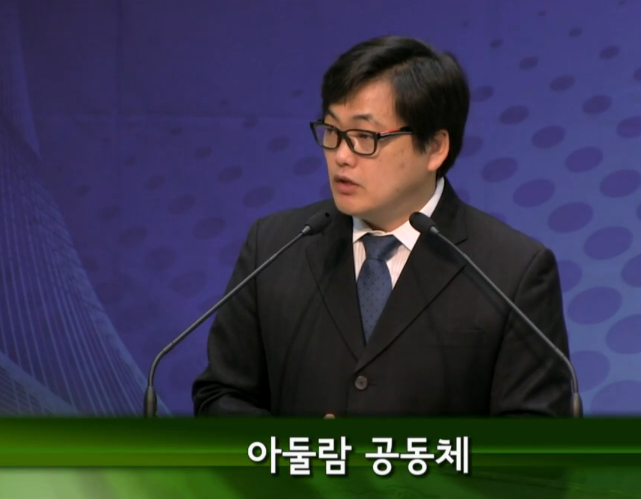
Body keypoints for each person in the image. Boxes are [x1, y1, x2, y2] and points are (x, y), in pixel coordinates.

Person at [191, 35, 574, 417]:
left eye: (364, 137)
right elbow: (220, 396)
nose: (341, 156)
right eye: (332, 131)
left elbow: (535, 435)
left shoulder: (512, 271)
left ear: (435, 147)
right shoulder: (274, 245)